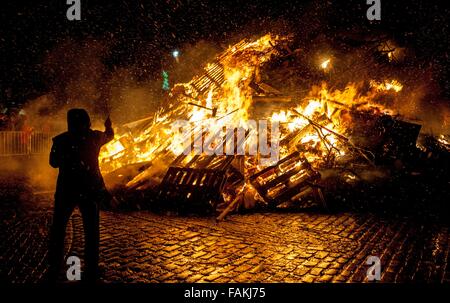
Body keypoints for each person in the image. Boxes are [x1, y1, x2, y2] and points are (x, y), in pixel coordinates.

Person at [47, 108, 114, 282]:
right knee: (91, 230)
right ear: (87, 122)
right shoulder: (95, 137)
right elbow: (110, 136)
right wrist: (109, 126)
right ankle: (91, 267)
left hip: (66, 190)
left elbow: (53, 163)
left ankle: (55, 265)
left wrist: (66, 156)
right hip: (89, 190)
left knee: (59, 227)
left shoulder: (61, 140)